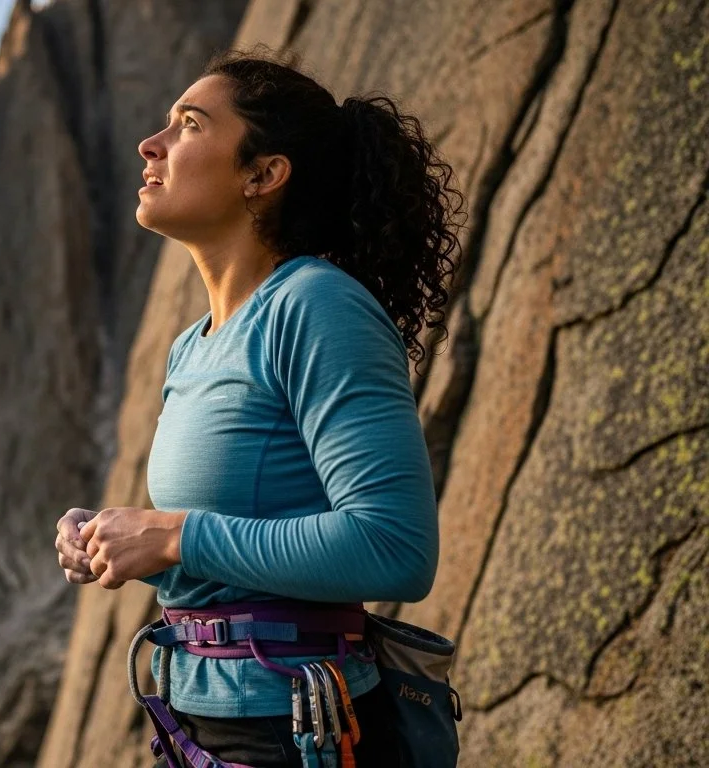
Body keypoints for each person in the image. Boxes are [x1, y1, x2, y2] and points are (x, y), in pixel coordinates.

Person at [53, 48, 464, 767]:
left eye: (187, 125)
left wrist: (175, 536)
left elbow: (397, 549)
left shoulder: (316, 306)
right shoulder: (193, 345)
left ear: (263, 174)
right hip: (200, 722)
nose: (151, 145)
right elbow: (239, 546)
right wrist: (120, 541)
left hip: (299, 730)